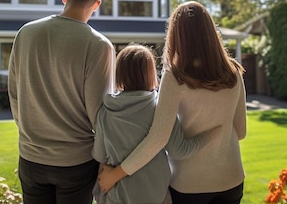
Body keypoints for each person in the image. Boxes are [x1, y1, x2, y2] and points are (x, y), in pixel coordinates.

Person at [99, 1, 247, 204]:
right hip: (232, 178)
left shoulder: (175, 76)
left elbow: (158, 139)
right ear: (210, 31)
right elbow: (240, 132)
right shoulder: (234, 72)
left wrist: (115, 174)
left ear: (177, 35)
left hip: (189, 185)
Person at [8, 0, 115, 204]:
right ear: (96, 4)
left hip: (30, 156)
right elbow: (98, 111)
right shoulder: (99, 45)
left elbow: (14, 94)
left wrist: (28, 132)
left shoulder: (25, 33)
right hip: (76, 162)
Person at [92, 44, 216, 204]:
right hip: (156, 195)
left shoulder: (105, 111)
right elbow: (178, 150)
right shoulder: (160, 108)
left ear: (119, 72)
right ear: (150, 73)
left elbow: (100, 155)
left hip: (119, 196)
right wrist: (209, 137)